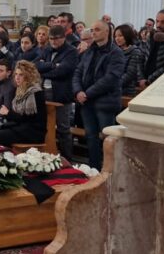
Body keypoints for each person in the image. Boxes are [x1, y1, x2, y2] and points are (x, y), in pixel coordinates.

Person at [73, 21, 125, 170]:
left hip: (105, 102)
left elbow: (111, 78)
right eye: (92, 30)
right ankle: (94, 169)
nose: (93, 32)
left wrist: (86, 93)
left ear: (107, 32)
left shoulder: (116, 52)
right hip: (87, 102)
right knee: (91, 138)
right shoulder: (90, 51)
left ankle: (110, 170)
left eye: (97, 30)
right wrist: (78, 91)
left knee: (107, 139)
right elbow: (78, 71)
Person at [36, 25, 78, 159]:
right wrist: (53, 65)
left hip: (61, 93)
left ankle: (68, 158)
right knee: (44, 126)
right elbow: (37, 66)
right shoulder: (47, 49)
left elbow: (64, 71)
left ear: (63, 38)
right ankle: (47, 156)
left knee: (63, 128)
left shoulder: (71, 51)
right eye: (51, 39)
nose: (53, 41)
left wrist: (45, 72)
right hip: (44, 91)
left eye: (56, 39)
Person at [0, 60, 47, 146]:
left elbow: (29, 118)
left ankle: (2, 158)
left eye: (21, 75)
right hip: (20, 126)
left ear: (28, 76)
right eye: (16, 74)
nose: (17, 78)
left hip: (33, 131)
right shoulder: (20, 90)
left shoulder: (35, 92)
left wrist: (8, 113)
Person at [115, 24, 147, 96]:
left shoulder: (135, 51)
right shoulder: (116, 51)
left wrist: (113, 84)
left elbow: (129, 75)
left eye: (120, 36)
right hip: (114, 88)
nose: (117, 38)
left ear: (127, 35)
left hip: (126, 90)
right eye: (115, 36)